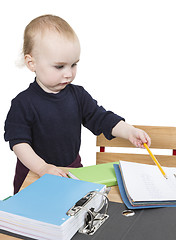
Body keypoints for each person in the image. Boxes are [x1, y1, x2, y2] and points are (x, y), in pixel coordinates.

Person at [4, 14, 151, 194]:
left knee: (74, 213)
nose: (69, 74)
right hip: (34, 174)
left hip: (71, 171)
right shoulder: (23, 103)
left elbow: (101, 118)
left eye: (73, 64)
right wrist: (42, 168)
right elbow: (18, 143)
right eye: (60, 66)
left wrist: (129, 131)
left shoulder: (78, 95)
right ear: (31, 63)